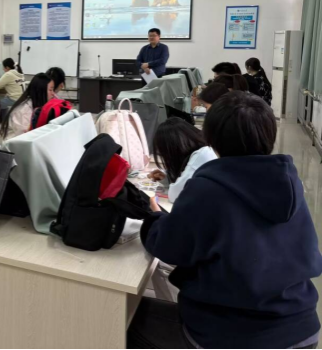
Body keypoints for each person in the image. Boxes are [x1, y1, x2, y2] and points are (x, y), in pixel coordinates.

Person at [129, 92, 322, 349]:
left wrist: (153, 219)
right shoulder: (289, 183)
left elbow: (168, 247)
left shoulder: (208, 189)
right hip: (303, 330)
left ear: (211, 139)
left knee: (123, 316)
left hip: (235, 335)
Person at [149, 118, 217, 203]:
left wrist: (172, 181)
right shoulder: (202, 151)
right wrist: (166, 178)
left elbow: (176, 195)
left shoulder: (202, 154)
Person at [1, 73, 54, 140]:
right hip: (14, 144)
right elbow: (24, 138)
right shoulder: (24, 111)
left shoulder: (36, 104)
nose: (53, 93)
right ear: (40, 91)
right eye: (50, 90)